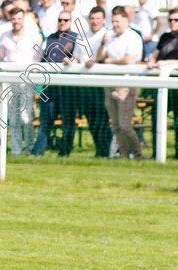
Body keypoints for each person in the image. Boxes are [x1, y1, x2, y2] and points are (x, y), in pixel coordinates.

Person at [0, 7, 42, 155]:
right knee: (13, 118)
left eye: (19, 18)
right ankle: (16, 151)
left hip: (26, 81)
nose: (16, 21)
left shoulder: (33, 36)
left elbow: (39, 58)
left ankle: (29, 149)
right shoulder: (5, 36)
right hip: (9, 82)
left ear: (23, 19)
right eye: (14, 18)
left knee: (26, 117)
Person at [92, 6, 142, 159]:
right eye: (113, 21)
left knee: (125, 125)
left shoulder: (133, 37)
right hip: (110, 83)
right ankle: (125, 156)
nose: (115, 24)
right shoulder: (111, 37)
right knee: (116, 126)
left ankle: (138, 155)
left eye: (117, 21)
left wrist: (110, 61)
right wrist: (102, 43)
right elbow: (100, 57)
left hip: (126, 85)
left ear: (126, 20)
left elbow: (129, 60)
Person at [30, 10, 77, 156]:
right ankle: (37, 153)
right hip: (49, 87)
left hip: (67, 88)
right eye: (60, 20)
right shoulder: (50, 38)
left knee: (68, 122)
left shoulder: (76, 38)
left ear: (70, 22)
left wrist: (71, 61)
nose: (62, 22)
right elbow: (42, 59)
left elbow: (80, 59)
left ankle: (65, 152)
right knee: (46, 121)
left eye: (65, 20)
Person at [73, 6, 112, 158]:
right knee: (91, 118)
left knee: (102, 118)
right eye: (93, 18)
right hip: (84, 83)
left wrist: (95, 62)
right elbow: (76, 56)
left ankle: (106, 151)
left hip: (101, 83)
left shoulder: (108, 35)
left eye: (98, 18)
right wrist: (70, 60)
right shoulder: (81, 36)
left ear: (103, 20)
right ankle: (99, 150)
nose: (95, 21)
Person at [147, 8, 178, 158]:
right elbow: (155, 56)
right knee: (156, 118)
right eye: (170, 20)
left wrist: (167, 63)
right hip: (162, 84)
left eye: (176, 20)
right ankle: (157, 153)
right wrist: (152, 62)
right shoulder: (164, 37)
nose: (173, 23)